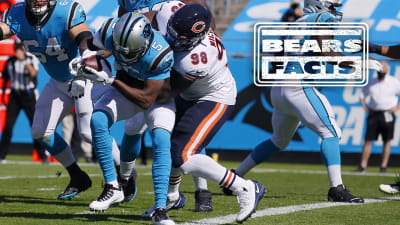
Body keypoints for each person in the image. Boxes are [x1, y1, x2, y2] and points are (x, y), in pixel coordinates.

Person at [225, 0, 367, 203]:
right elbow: (326, 53)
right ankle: (337, 188)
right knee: (332, 132)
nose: (335, 12)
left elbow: (277, 57)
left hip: (279, 86)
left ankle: (236, 176)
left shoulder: (297, 21)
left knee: (278, 141)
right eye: (333, 7)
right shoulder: (322, 17)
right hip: (299, 84)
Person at [148, 4, 265, 223]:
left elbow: (165, 91)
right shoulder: (174, 17)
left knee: (183, 155)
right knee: (172, 146)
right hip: (192, 94)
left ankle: (244, 187)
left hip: (214, 97)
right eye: (172, 31)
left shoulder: (195, 58)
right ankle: (171, 197)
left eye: (180, 37)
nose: (173, 39)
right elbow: (152, 15)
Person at [75, 13, 175, 225]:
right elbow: (88, 42)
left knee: (161, 141)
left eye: (130, 50)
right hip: (125, 86)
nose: (123, 53)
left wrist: (110, 79)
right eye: (119, 47)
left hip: (157, 98)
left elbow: (147, 100)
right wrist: (86, 60)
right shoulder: (109, 30)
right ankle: (113, 186)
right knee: (98, 120)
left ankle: (160, 209)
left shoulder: (159, 54)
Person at [118, 0, 215, 215]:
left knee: (189, 128)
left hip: (178, 59)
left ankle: (202, 191)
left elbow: (202, 13)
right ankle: (126, 182)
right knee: (132, 127)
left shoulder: (170, 9)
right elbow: (123, 19)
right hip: (146, 65)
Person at [0, 0, 96, 200]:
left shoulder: (65, 9)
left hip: (80, 78)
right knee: (40, 131)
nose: (37, 1)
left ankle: (122, 178)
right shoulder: (17, 14)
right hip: (58, 82)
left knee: (87, 132)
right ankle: (78, 176)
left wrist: (86, 57)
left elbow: (84, 36)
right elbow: (4, 28)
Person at [0, 41, 47, 162]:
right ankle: (1, 155)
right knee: (8, 126)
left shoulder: (31, 58)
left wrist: (24, 61)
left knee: (34, 125)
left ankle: (42, 155)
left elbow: (33, 73)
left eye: (20, 47)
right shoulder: (10, 61)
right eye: (16, 47)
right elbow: (5, 78)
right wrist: (3, 98)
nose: (18, 50)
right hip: (15, 95)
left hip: (28, 95)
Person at [354, 61, 400, 173]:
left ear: (387, 70)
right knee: (368, 140)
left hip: (388, 114)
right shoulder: (372, 82)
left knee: (387, 141)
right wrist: (366, 107)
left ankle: (383, 166)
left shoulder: (394, 82)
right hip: (374, 114)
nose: (381, 71)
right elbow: (362, 95)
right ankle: (363, 166)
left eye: (383, 68)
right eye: (379, 68)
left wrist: (397, 108)